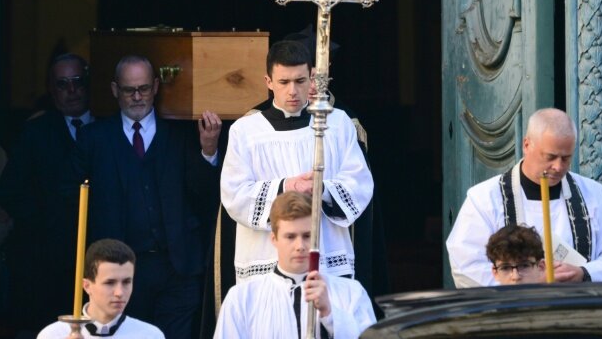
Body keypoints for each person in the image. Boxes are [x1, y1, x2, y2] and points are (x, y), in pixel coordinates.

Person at [74, 55, 222, 338]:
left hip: (177, 267)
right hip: (121, 271)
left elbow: (205, 195)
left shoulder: (183, 133)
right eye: (130, 90)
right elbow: (75, 202)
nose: (138, 96)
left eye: (144, 88)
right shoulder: (94, 138)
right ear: (115, 90)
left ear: (156, 87)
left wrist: (209, 149)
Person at [221, 40, 373, 282]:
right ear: (268, 82)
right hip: (266, 257)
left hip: (325, 254)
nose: (292, 91)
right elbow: (233, 194)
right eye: (283, 82)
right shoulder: (245, 131)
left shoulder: (337, 123)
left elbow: (360, 183)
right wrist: (287, 187)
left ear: (312, 78)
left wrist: (322, 188)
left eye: (300, 81)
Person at [446, 108, 602, 287]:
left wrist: (583, 273)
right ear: (527, 145)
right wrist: (529, 283)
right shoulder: (484, 198)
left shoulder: (594, 194)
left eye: (566, 158)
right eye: (550, 157)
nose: (558, 167)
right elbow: (466, 267)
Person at [0, 53, 94, 333]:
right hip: (44, 263)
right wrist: (46, 219)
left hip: (98, 257)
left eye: (78, 81)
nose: (72, 91)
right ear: (51, 91)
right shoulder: (35, 132)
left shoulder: (109, 126)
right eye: (63, 84)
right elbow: (10, 192)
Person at [214, 192, 376, 338]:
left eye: (307, 235)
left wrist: (330, 314)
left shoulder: (351, 293)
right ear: (274, 240)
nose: (300, 245)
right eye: (290, 237)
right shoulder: (242, 299)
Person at [37, 239, 165, 338]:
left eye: (126, 282)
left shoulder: (151, 335)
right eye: (109, 283)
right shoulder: (53, 335)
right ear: (87, 286)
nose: (119, 293)